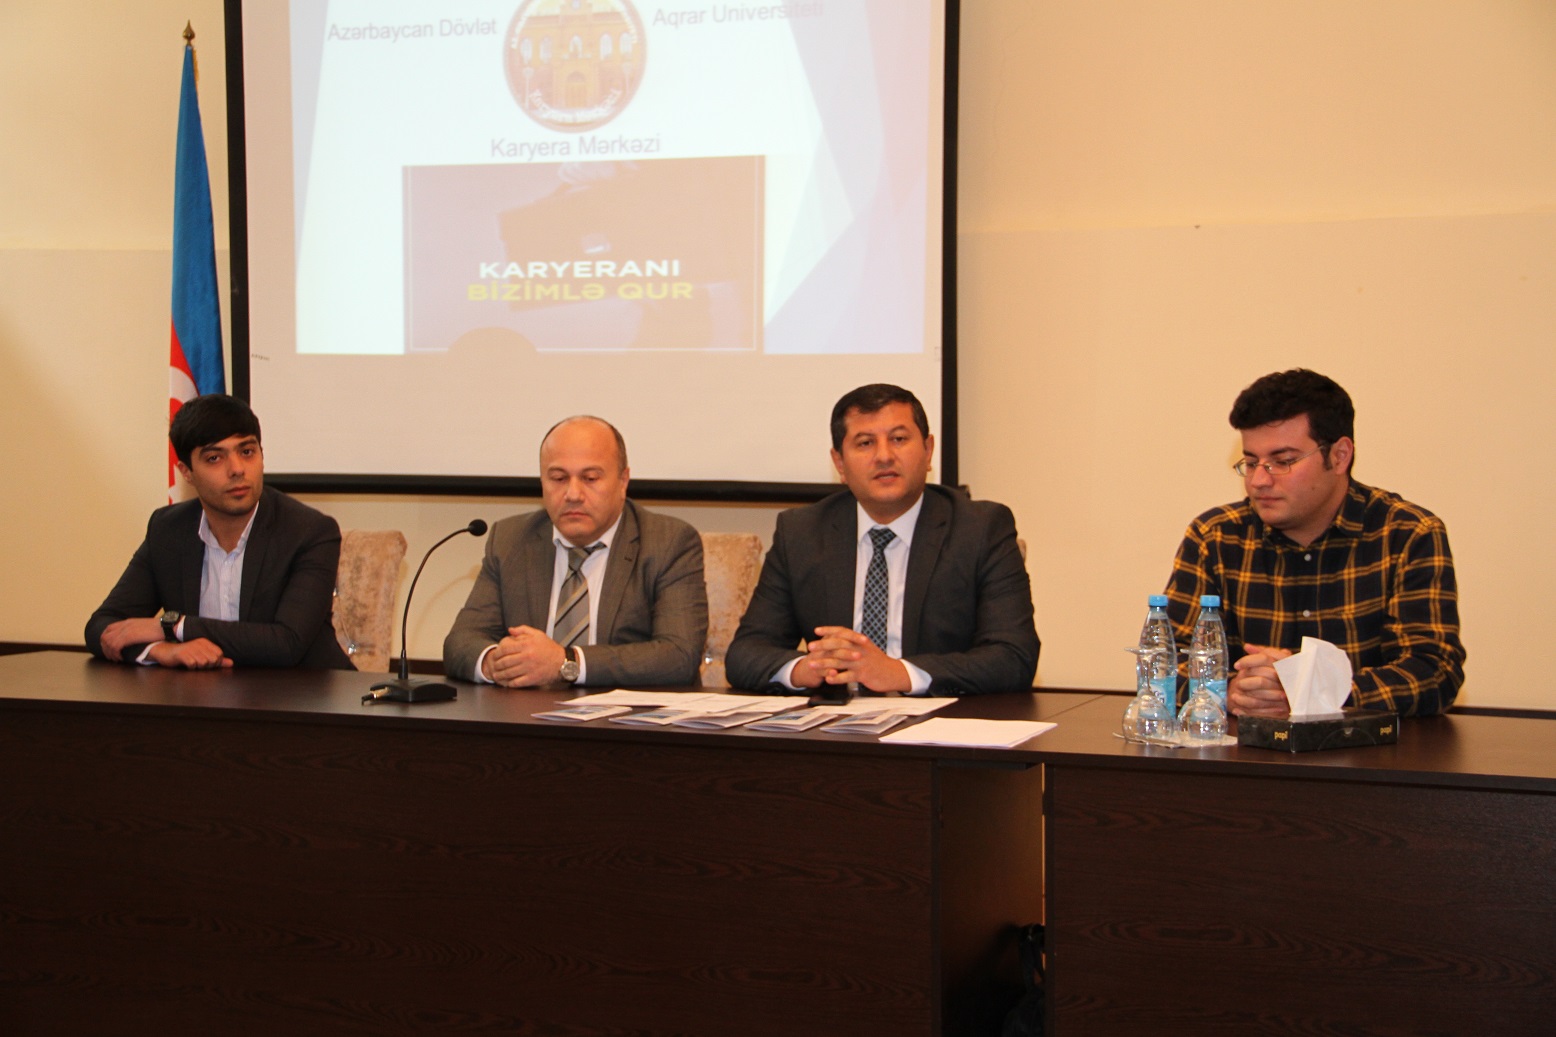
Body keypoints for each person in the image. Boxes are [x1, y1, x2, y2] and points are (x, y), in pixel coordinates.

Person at [1165, 368, 1465, 717]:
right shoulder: (1214, 536)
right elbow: (1167, 659)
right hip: (1246, 746)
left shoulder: (1407, 533)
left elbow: (1434, 672)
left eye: (1283, 461)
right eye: (1251, 462)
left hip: (1365, 748)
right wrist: (1230, 691)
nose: (1259, 480)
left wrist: (1312, 690)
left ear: (1339, 456)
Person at [725, 384, 1039, 695]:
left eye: (899, 439)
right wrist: (807, 669)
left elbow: (1014, 656)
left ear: (928, 450)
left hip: (941, 719)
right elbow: (745, 654)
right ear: (839, 464)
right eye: (865, 443)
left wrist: (900, 673)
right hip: (840, 721)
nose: (884, 456)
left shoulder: (980, 529)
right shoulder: (801, 532)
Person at [85, 394, 351, 670]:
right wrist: (161, 650)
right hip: (206, 694)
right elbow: (102, 627)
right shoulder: (168, 530)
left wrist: (175, 626)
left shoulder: (309, 533)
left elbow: (286, 643)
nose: (237, 469)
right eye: (214, 458)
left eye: (247, 452)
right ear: (186, 472)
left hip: (303, 693)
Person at [443, 416, 707, 687]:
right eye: (558, 478)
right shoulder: (510, 540)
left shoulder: (668, 542)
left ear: (623, 481)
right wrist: (498, 663)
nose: (573, 494)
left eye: (590, 478)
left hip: (622, 710)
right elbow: (460, 642)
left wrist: (566, 663)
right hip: (527, 709)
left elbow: (679, 656)